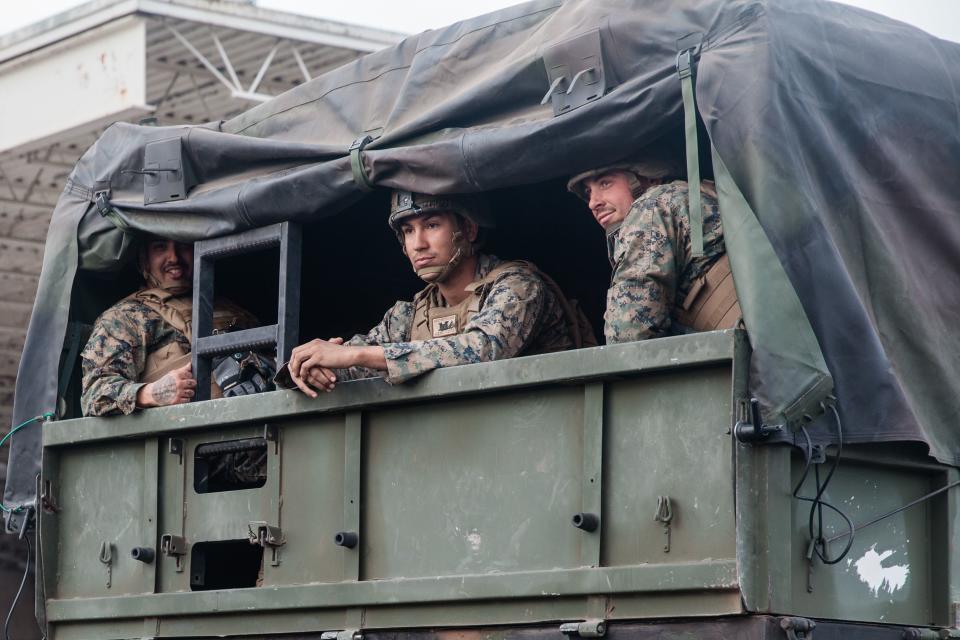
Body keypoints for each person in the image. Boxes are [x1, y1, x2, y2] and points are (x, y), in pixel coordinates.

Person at [283, 191, 593, 396]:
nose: (418, 243)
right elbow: (351, 367)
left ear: (468, 230)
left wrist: (357, 354)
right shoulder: (409, 314)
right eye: (408, 231)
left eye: (431, 225)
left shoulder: (517, 286)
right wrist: (311, 365)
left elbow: (485, 348)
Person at [80, 236, 257, 416]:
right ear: (144, 260)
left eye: (183, 246)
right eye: (160, 247)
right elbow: (94, 395)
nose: (174, 258)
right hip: (191, 434)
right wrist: (151, 393)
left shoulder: (233, 310)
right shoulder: (125, 317)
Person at [567, 160, 740, 344]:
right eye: (588, 192)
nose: (593, 203)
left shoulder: (651, 207)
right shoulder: (691, 196)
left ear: (650, 178)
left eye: (605, 183)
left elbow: (629, 335)